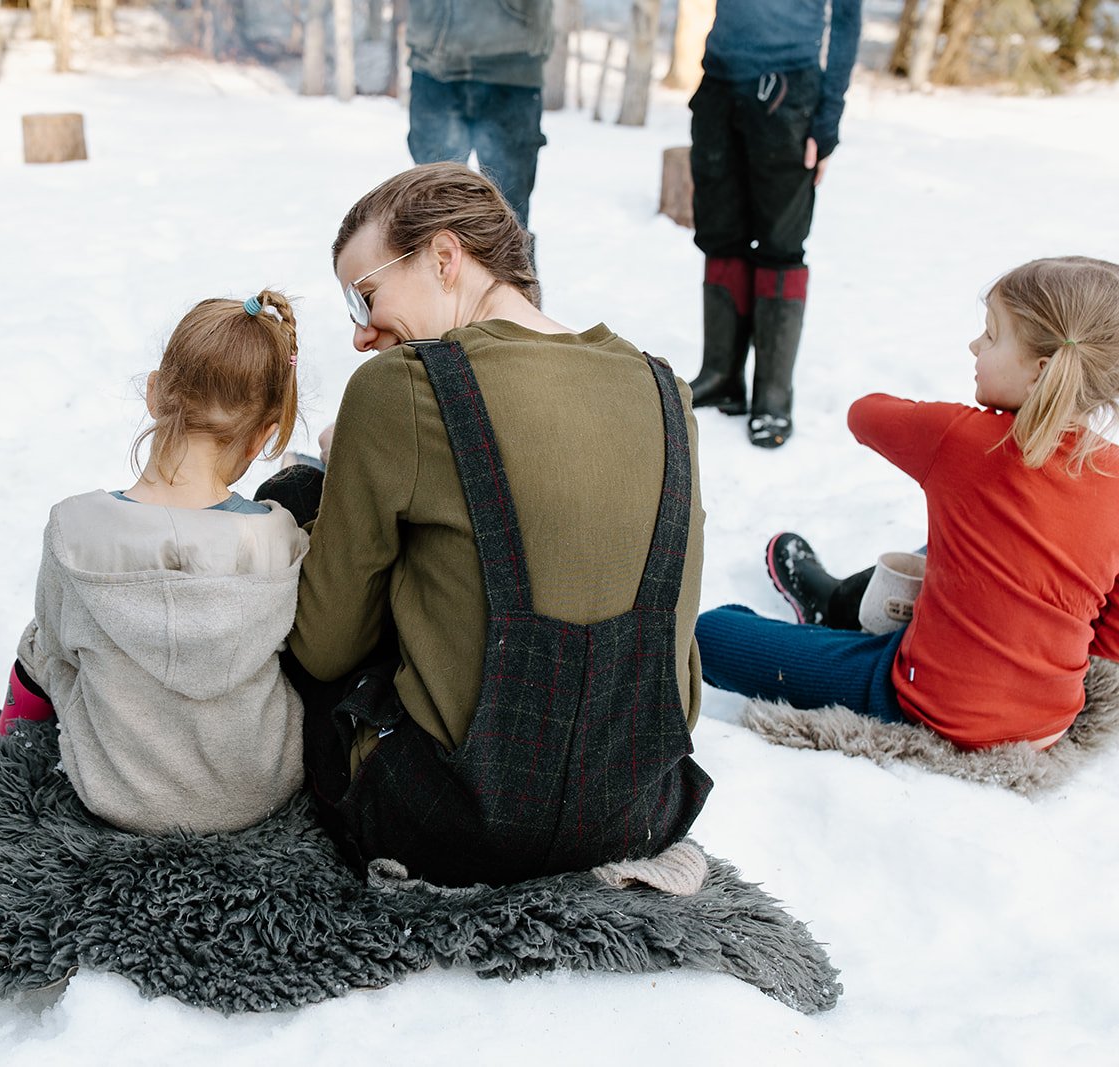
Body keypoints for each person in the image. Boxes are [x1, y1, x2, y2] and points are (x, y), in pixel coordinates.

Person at [267, 163, 711, 887]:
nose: (359, 333)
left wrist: (340, 470)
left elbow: (322, 647)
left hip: (448, 824)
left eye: (365, 295)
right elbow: (680, 665)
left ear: (446, 257)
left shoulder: (399, 388)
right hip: (638, 811)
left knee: (291, 492)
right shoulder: (666, 389)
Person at [697, 257, 1119, 750]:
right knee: (960, 542)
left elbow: (864, 414)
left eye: (991, 335)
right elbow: (1109, 635)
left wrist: (961, 424)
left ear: (1039, 373)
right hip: (1048, 722)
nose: (974, 346)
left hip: (927, 697)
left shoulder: (964, 438)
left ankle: (836, 622)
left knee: (713, 633)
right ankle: (846, 608)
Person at [0, 290, 308, 836]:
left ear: (153, 392)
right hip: (260, 789)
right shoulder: (278, 536)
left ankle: (8, 751)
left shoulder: (74, 530)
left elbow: (56, 641)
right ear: (266, 435)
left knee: (42, 638)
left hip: (119, 793)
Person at [684, 0, 863, 448]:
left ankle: (773, 397)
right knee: (720, 235)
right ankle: (721, 375)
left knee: (781, 245)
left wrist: (828, 120)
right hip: (720, 85)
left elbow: (846, 20)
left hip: (789, 92)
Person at [404, 0, 552, 233]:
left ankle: (508, 268)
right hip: (433, 63)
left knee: (510, 216)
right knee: (433, 208)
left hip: (512, 66)